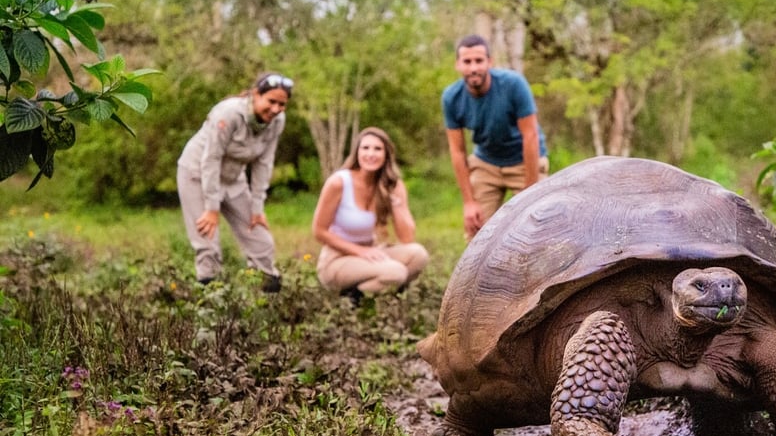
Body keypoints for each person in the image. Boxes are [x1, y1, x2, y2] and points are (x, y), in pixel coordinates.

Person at [176, 72, 293, 292]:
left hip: (232, 180)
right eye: (271, 101)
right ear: (256, 94)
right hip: (197, 174)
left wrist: (257, 208)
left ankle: (265, 303)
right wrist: (212, 208)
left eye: (282, 104)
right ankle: (210, 312)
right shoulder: (229, 113)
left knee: (261, 241)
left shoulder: (277, 122)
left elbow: (263, 164)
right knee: (208, 245)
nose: (276, 109)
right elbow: (210, 159)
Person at [442, 34, 548, 239]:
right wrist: (469, 202)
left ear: (490, 62)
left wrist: (530, 193)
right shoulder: (452, 98)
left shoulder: (514, 84)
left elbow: (531, 136)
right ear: (458, 65)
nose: (473, 68)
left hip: (523, 160)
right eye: (467, 61)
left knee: (538, 227)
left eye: (479, 61)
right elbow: (457, 151)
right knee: (477, 232)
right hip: (486, 163)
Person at [312, 126, 429, 304]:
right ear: (357, 152)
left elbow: (407, 238)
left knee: (418, 255)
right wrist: (360, 251)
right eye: (365, 148)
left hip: (370, 253)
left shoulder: (391, 185)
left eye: (377, 149)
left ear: (386, 154)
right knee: (396, 272)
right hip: (336, 260)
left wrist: (395, 200)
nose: (371, 154)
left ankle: (381, 292)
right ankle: (352, 300)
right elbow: (319, 231)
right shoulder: (339, 182)